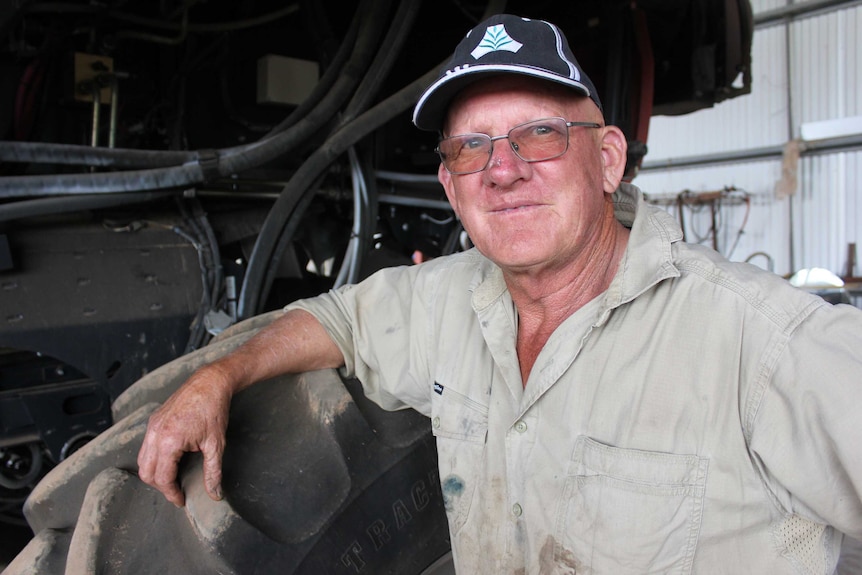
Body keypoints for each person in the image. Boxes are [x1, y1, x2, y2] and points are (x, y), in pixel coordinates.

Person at [138, 13, 862, 574]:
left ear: (607, 159)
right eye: (471, 147)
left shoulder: (763, 344)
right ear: (451, 187)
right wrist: (218, 375)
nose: (503, 170)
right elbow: (338, 321)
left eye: (540, 134)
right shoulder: (450, 301)